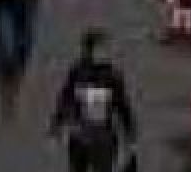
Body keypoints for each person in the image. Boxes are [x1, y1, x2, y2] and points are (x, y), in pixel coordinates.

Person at [49, 30, 137, 172]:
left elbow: (123, 106)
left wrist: (130, 135)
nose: (106, 53)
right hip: (83, 136)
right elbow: (65, 100)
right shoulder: (78, 73)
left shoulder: (111, 76)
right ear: (88, 51)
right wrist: (57, 126)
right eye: (101, 48)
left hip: (101, 137)